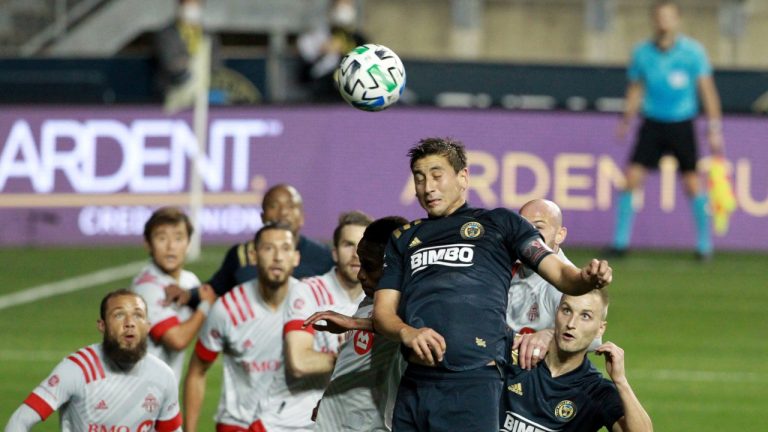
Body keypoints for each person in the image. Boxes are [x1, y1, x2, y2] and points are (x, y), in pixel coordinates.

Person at [373, 137, 613, 432]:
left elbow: (562, 275)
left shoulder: (500, 224)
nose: (428, 187)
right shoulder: (404, 239)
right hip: (416, 384)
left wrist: (585, 279)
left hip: (474, 382)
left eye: (437, 175)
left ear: (463, 177)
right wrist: (407, 332)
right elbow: (383, 313)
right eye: (419, 178)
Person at [610, 0, 724, 260]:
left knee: (693, 184)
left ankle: (704, 246)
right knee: (631, 179)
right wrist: (627, 119)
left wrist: (714, 127)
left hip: (682, 123)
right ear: (654, 20)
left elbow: (707, 90)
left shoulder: (693, 52)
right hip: (652, 123)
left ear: (678, 20)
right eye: (660, 16)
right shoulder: (642, 53)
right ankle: (620, 243)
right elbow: (636, 88)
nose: (664, 21)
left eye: (669, 16)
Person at [249, 211, 372, 432]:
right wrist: (351, 359)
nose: (356, 254)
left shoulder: (377, 302)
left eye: (362, 246)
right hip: (286, 423)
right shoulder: (307, 291)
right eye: (347, 245)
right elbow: (300, 362)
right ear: (334, 253)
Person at [4, 289, 182, 432]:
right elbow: (20, 421)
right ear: (102, 326)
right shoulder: (78, 369)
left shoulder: (162, 375)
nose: (130, 323)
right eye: (119, 315)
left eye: (138, 315)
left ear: (147, 326)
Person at [183, 222, 302, 432]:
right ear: (253, 256)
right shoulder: (227, 309)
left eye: (285, 248)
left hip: (293, 425)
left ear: (296, 257)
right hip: (239, 425)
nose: (277, 257)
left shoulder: (311, 304)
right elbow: (197, 372)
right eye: (268, 248)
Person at [305, 216, 409, 432]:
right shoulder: (371, 299)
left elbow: (403, 330)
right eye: (361, 263)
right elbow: (355, 360)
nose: (361, 274)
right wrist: (333, 396)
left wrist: (354, 323)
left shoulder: (409, 304)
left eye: (370, 266)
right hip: (334, 420)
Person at [500, 289, 654, 432]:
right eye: (566, 311)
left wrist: (621, 381)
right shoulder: (520, 353)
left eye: (585, 316)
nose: (571, 324)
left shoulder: (595, 391)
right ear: (556, 313)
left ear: (600, 329)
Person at [166, 183, 334, 307]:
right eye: (274, 206)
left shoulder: (324, 257)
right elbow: (215, 288)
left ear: (302, 216)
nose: (283, 212)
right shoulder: (240, 255)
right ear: (262, 216)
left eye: (290, 206)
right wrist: (188, 294)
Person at [509, 199, 601, 370]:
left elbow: (594, 340)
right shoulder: (504, 267)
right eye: (522, 227)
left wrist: (552, 336)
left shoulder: (570, 284)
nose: (528, 235)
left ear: (560, 235)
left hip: (540, 382)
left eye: (538, 227)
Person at [130, 206, 216, 382]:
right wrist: (206, 305)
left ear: (188, 243)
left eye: (178, 238)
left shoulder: (189, 281)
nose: (170, 246)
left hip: (160, 393)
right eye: (162, 238)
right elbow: (177, 340)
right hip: (137, 393)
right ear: (148, 243)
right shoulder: (147, 288)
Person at [153, 0, 223, 111]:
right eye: (189, 5)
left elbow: (216, 64)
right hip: (173, 91)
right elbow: (170, 62)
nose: (192, 9)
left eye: (196, 5)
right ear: (180, 6)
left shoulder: (208, 34)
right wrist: (191, 63)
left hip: (203, 92)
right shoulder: (167, 34)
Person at [297, 0, 367, 102]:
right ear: (331, 10)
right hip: (323, 96)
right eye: (340, 7)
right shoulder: (316, 37)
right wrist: (322, 52)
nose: (344, 11)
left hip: (353, 95)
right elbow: (306, 73)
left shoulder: (359, 39)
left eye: (347, 6)